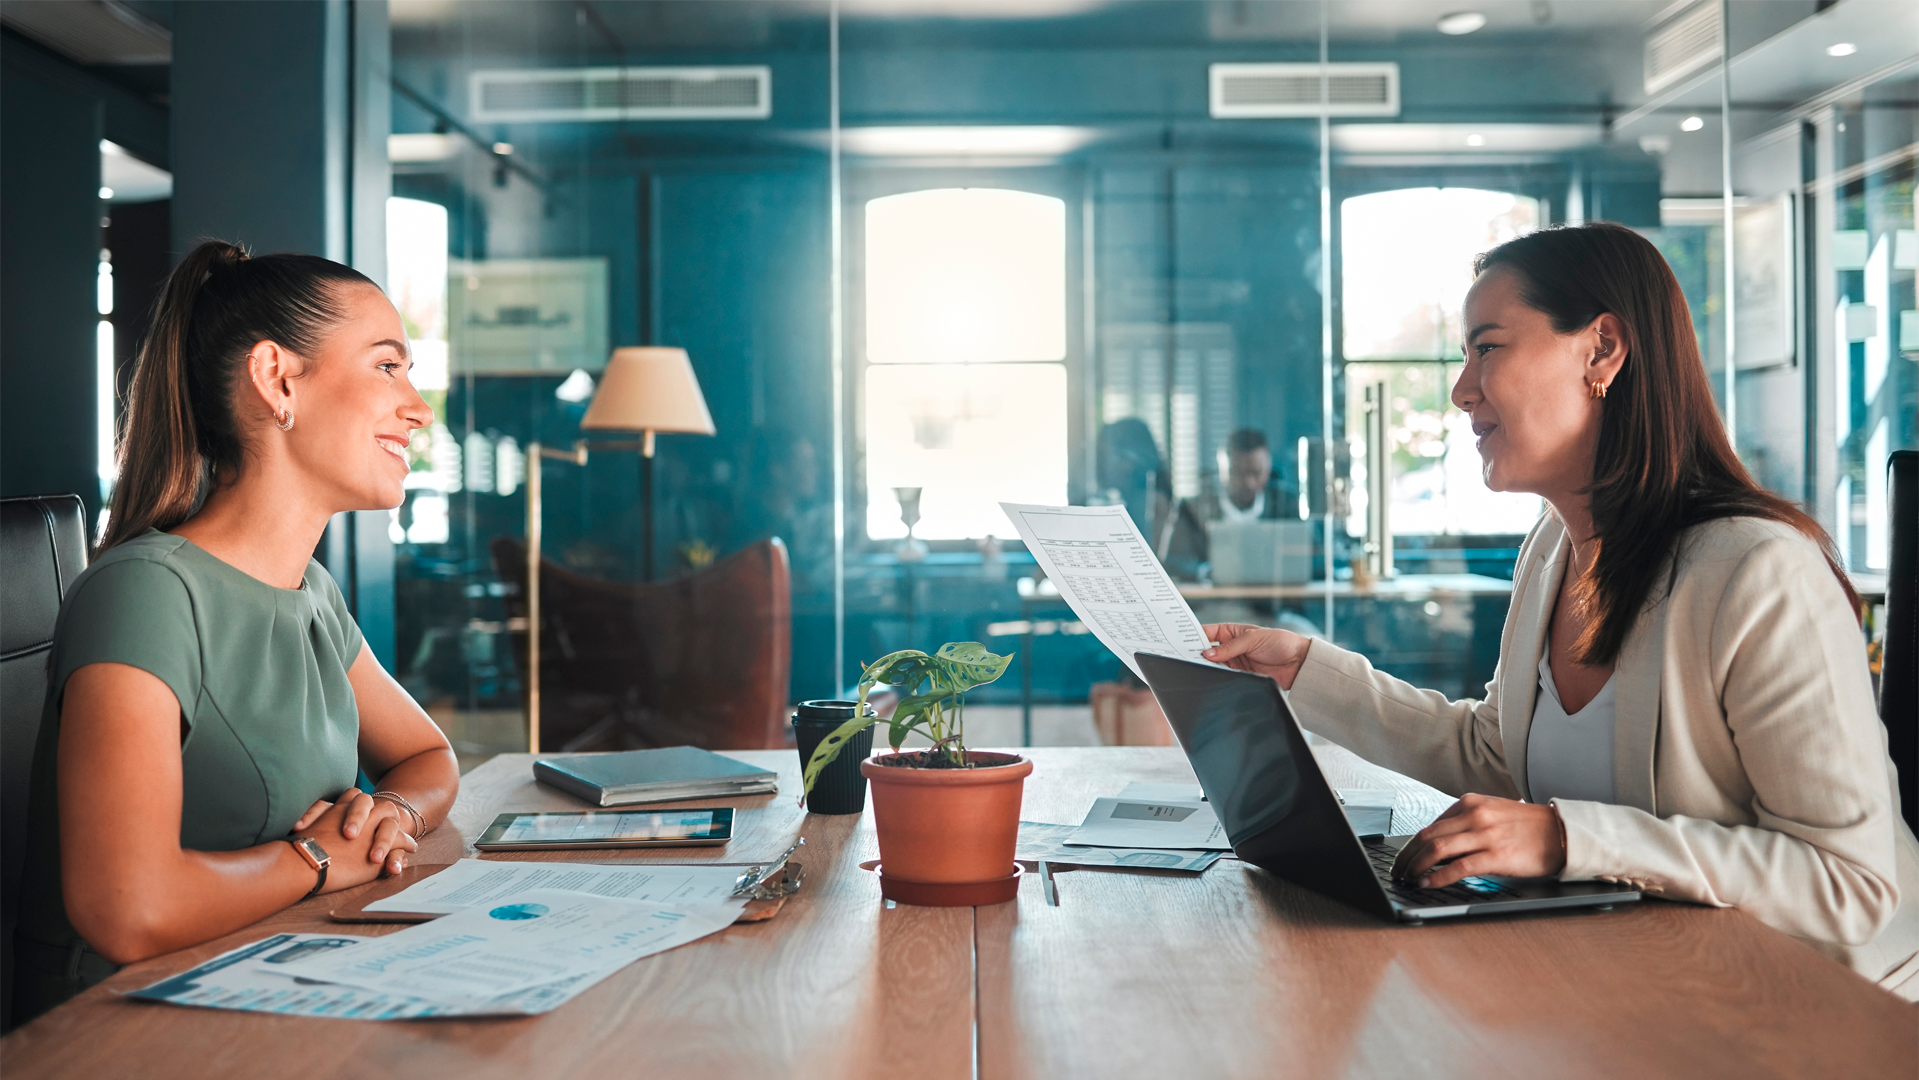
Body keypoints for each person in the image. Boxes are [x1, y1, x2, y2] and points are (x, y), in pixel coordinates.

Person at [1203, 222, 1919, 999]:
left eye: (1487, 348)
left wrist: (1564, 838)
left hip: (1821, 1006)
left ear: (1601, 351)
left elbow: (1847, 881)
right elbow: (1497, 755)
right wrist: (1308, 671)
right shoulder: (1551, 549)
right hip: (1647, 979)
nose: (1459, 389)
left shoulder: (1758, 573)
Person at [11, 241, 461, 1023]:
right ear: (277, 380)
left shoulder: (310, 593)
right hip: (123, 1027)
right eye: (388, 366)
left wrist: (393, 815)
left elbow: (428, 757)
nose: (418, 407)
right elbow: (126, 909)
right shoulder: (146, 593)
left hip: (277, 970)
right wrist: (321, 859)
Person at [1164, 427, 1290, 581]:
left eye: (1256, 473)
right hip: (1214, 602)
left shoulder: (1287, 504)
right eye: (1238, 472)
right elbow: (1171, 563)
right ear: (1221, 468)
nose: (1249, 483)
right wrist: (1207, 572)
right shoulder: (1191, 508)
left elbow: (1316, 558)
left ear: (1268, 467)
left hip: (1275, 602)